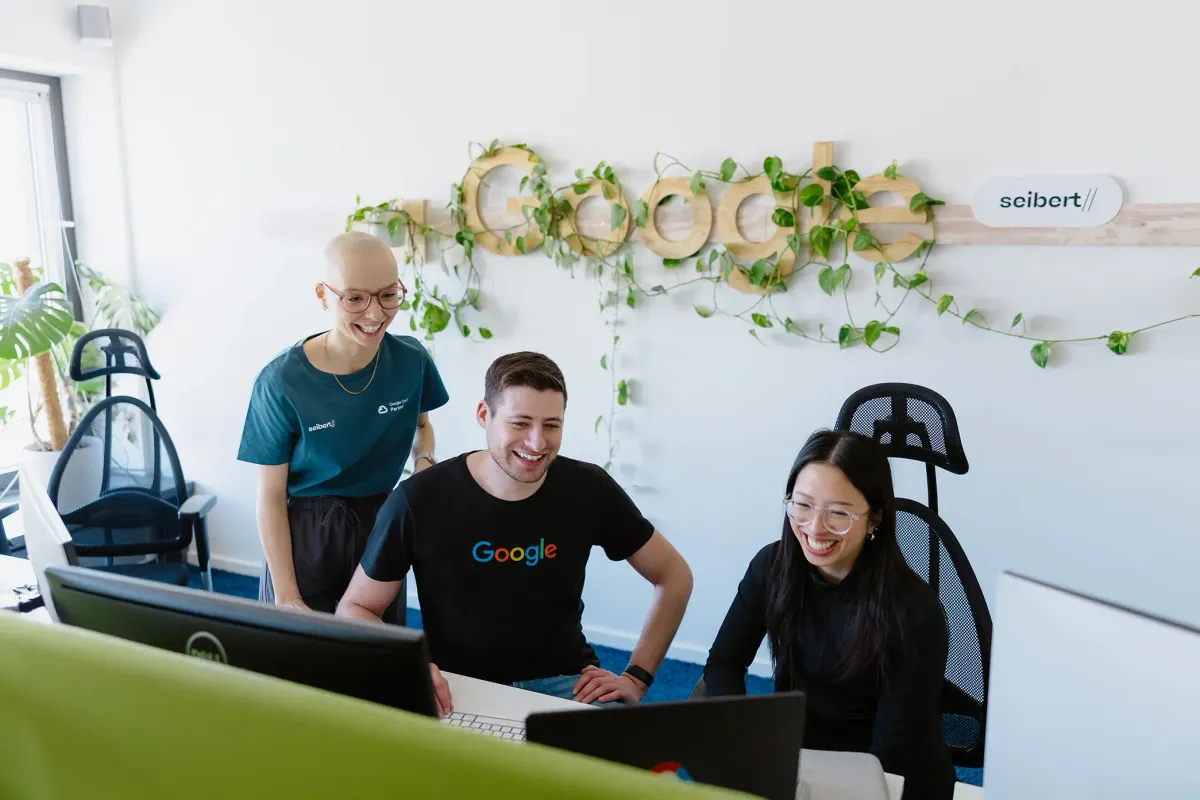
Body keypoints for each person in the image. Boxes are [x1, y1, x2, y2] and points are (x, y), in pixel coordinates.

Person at [337, 351, 693, 716]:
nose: (537, 443)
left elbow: (674, 576)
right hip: (459, 687)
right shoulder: (418, 500)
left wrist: (636, 677)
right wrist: (408, 668)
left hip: (569, 683)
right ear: (483, 415)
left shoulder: (589, 488)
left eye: (551, 425)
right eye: (520, 423)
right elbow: (355, 607)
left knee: (625, 767)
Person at [702, 429, 955, 800]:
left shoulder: (913, 612)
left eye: (838, 513)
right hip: (799, 761)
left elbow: (890, 755)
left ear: (874, 520)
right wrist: (745, 742)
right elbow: (723, 662)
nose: (815, 528)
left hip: (888, 778)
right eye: (802, 505)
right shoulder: (770, 568)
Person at [237, 232, 448, 619]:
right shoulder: (281, 381)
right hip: (305, 531)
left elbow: (423, 428)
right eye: (355, 298)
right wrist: (285, 594)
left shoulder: (412, 360)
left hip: (382, 523)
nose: (375, 313)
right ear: (323, 296)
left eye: (388, 295)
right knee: (298, 659)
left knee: (378, 656)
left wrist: (425, 463)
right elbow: (269, 495)